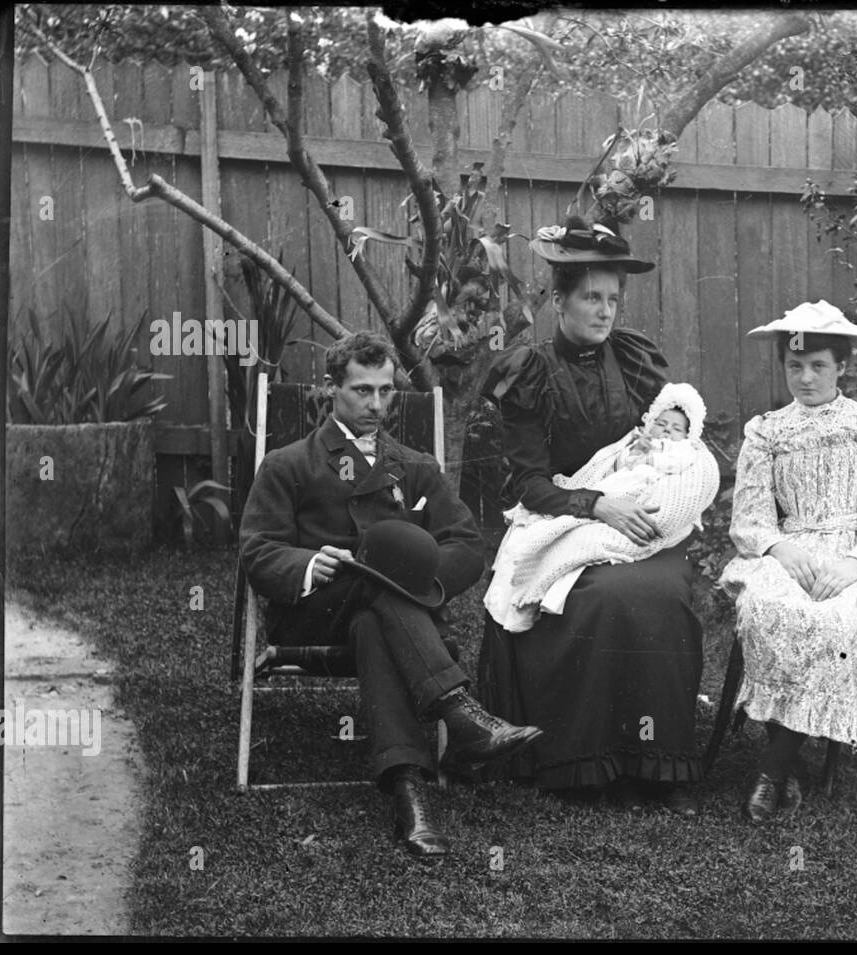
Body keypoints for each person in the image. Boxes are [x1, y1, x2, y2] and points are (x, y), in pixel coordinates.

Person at [239, 331, 541, 861]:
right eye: (362, 391)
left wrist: (418, 581)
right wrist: (310, 562)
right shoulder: (290, 464)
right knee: (379, 559)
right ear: (330, 389)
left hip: (383, 621)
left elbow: (468, 543)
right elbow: (258, 550)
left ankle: (411, 797)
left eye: (385, 391)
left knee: (378, 618)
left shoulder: (416, 464)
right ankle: (458, 710)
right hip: (315, 612)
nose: (376, 404)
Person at [478, 216, 705, 815]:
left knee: (660, 589)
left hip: (641, 514)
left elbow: (672, 435)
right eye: (590, 298)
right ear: (558, 300)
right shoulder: (528, 371)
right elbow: (528, 482)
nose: (604, 312)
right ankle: (588, 763)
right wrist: (596, 503)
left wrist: (659, 479)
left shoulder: (632, 358)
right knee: (604, 596)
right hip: (564, 518)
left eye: (612, 299)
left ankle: (659, 767)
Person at [719, 301, 857, 823]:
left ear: (842, 367)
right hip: (792, 546)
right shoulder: (766, 431)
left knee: (836, 620)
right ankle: (787, 762)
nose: (805, 377)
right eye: (795, 366)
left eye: (818, 365)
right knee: (771, 610)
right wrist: (778, 547)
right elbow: (748, 517)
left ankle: (773, 770)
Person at [485, 381, 719, 632]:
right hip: (614, 490)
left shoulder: (683, 452)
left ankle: (559, 565)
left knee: (577, 539)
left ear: (688, 435)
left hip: (647, 492)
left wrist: (651, 458)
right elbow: (610, 467)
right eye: (661, 424)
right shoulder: (636, 443)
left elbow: (676, 471)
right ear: (651, 423)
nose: (666, 431)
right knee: (551, 528)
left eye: (676, 428)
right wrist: (632, 455)